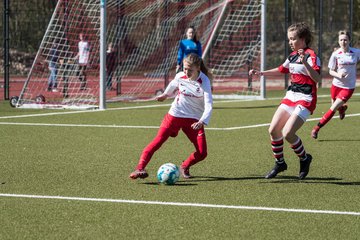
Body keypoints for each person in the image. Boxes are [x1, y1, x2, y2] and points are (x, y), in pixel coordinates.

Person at [249, 22, 321, 180]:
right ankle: (280, 163)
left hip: (306, 99)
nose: (290, 42)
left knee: (288, 133)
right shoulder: (293, 55)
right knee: (273, 129)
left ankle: (304, 158)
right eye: (289, 39)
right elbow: (282, 69)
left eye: (293, 39)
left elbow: (317, 78)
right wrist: (261, 73)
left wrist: (305, 63)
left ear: (302, 39)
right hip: (291, 96)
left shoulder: (311, 55)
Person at [129, 53, 213, 180]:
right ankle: (140, 168)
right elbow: (173, 84)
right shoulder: (180, 76)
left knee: (202, 153)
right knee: (157, 141)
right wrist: (165, 95)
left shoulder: (204, 81)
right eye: (185, 68)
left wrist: (202, 121)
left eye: (190, 70)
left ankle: (184, 166)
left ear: (198, 69)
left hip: (194, 120)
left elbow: (209, 105)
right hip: (175, 115)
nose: (186, 71)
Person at [311, 30, 360, 139]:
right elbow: (330, 71)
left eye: (345, 40)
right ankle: (342, 109)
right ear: (338, 41)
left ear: (349, 40)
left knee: (332, 108)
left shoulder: (356, 52)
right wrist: (339, 74)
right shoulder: (335, 54)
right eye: (341, 40)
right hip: (336, 85)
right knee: (334, 105)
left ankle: (316, 128)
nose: (343, 42)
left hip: (348, 87)